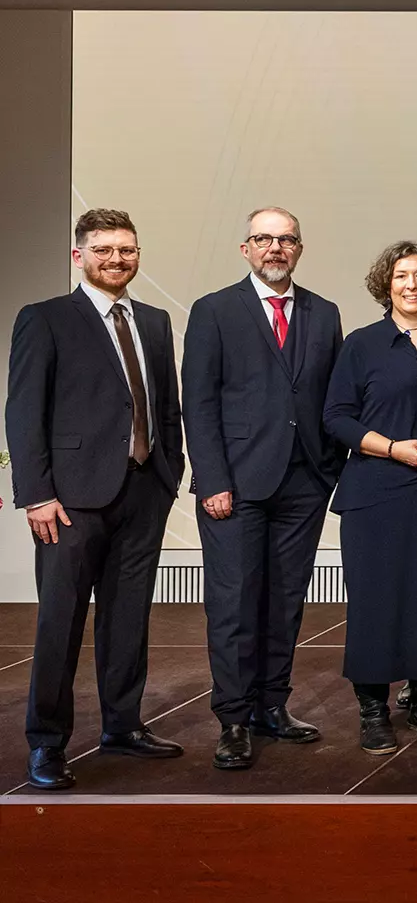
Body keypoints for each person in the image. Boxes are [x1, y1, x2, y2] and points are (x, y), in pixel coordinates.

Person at [10, 210, 186, 790]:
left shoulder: (155, 322)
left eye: (128, 249)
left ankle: (123, 725)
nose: (117, 259)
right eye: (104, 249)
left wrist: (168, 474)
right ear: (78, 255)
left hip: (143, 490)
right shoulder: (46, 319)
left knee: (129, 618)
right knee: (60, 623)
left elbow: (164, 407)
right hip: (69, 501)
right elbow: (24, 414)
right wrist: (36, 495)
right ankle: (47, 742)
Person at [184, 206, 345, 771]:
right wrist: (212, 480)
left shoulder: (324, 314)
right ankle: (233, 719)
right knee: (233, 605)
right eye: (264, 239)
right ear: (246, 248)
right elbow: (198, 404)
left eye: (286, 240)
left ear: (299, 249)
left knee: (284, 603)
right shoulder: (214, 311)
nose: (276, 248)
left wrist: (328, 470)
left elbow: (330, 399)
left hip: (303, 482)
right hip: (236, 485)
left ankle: (272, 707)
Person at [323, 242, 417, 755]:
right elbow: (337, 417)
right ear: (385, 284)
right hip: (375, 495)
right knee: (377, 602)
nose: (412, 285)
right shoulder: (361, 345)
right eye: (401, 276)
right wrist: (393, 449)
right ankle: (372, 710)